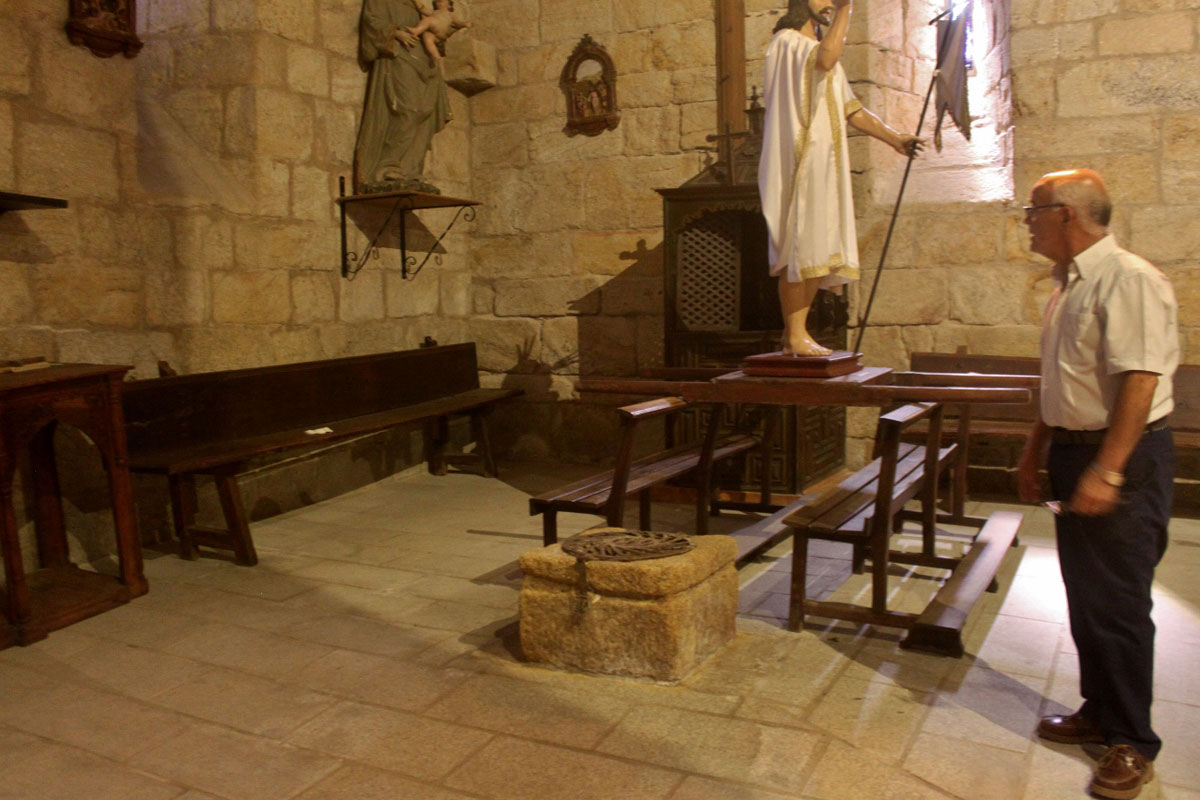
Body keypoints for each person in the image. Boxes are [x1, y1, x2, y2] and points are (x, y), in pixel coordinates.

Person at [1017, 169, 1178, 800]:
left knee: (1118, 601)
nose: (1026, 224)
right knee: (1085, 594)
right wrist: (1034, 453)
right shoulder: (1068, 284)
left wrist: (1108, 469)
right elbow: (1059, 385)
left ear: (1067, 214)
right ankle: (1099, 710)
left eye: (1033, 212)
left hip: (1123, 457)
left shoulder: (1127, 279)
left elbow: (1140, 379)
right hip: (1072, 450)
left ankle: (1132, 742)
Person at [758, 0, 924, 357]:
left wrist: (895, 138)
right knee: (799, 246)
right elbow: (827, 58)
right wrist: (847, 10)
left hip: (826, 161)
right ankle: (795, 333)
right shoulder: (787, 43)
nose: (830, 5)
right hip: (801, 157)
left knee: (819, 245)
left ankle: (794, 334)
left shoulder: (819, 49)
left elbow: (853, 109)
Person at [353, 0, 452, 194]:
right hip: (399, 56)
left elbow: (433, 29)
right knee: (408, 109)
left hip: (424, 61)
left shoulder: (418, 5)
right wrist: (395, 33)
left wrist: (440, 33)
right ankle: (387, 168)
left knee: (426, 112)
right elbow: (371, 21)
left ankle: (410, 170)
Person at [407, 0, 471, 66]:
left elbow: (457, 23)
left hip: (441, 30)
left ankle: (416, 31)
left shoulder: (450, 14)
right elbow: (422, 9)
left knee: (428, 20)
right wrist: (416, 1)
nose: (439, 3)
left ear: (449, 5)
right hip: (435, 35)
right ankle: (436, 56)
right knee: (427, 36)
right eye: (437, 2)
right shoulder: (434, 12)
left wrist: (464, 24)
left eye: (441, 1)